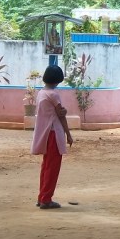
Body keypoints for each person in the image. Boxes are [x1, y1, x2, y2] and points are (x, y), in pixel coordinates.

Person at [31, 65, 73, 209]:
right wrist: (69, 134)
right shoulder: (54, 94)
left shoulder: (42, 93)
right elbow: (61, 116)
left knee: (46, 166)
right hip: (54, 133)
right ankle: (46, 199)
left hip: (46, 134)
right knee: (52, 167)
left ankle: (42, 196)